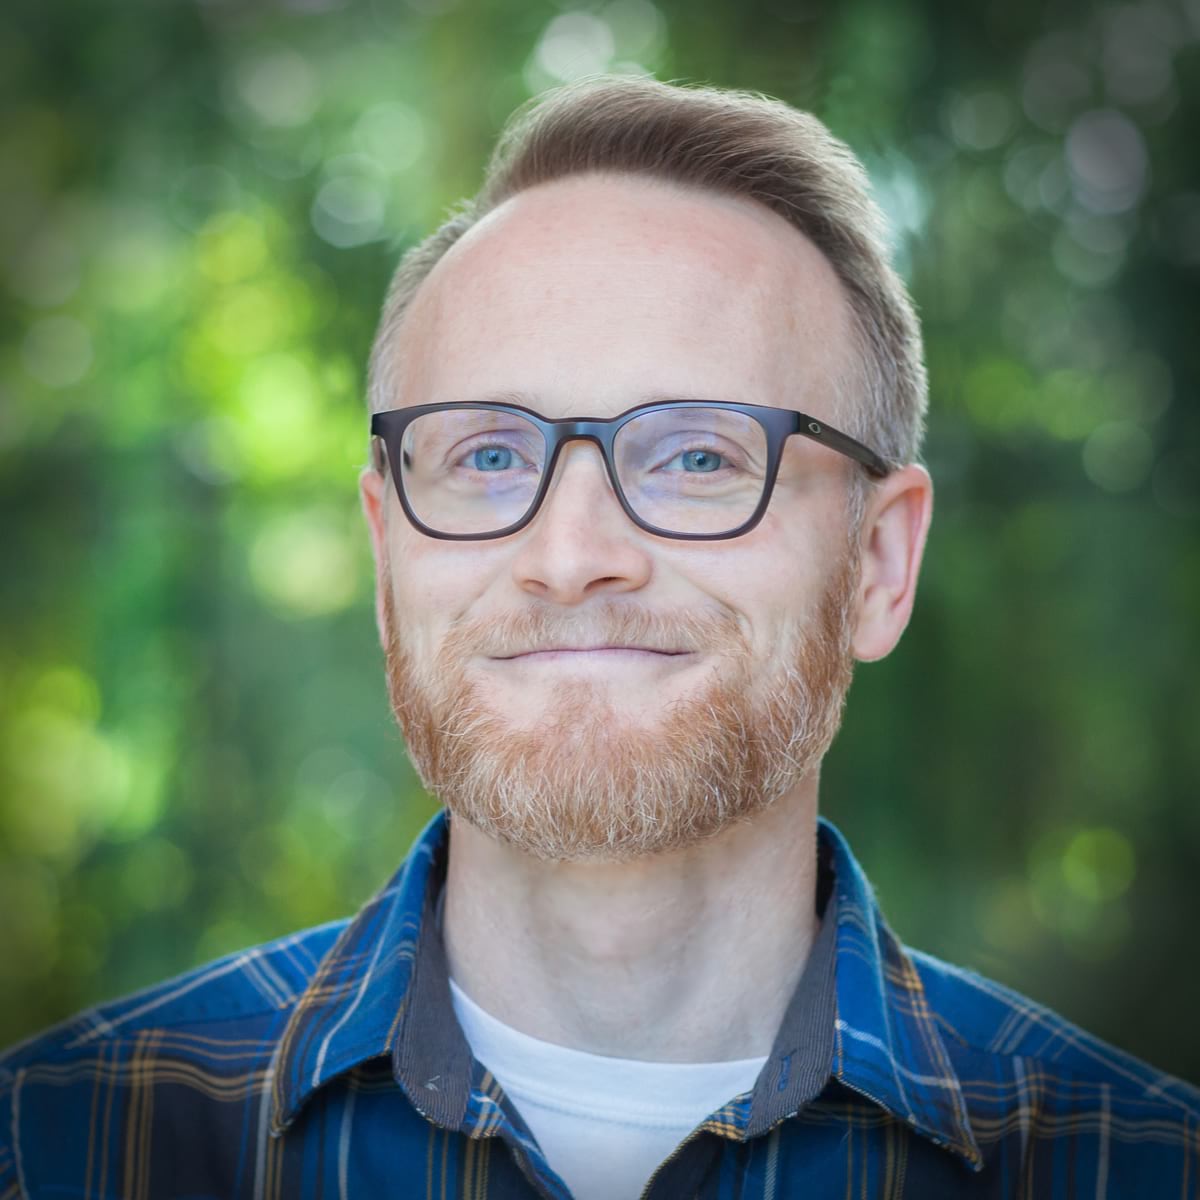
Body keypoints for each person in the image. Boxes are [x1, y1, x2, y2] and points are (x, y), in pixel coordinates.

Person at [1, 75, 1196, 1200]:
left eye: (697, 455)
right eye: (486, 454)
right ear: (386, 556)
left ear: (880, 564)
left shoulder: (1142, 1165)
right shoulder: (51, 1143)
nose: (570, 555)